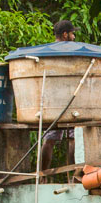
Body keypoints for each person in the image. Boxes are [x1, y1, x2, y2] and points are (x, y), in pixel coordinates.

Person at [39, 20, 78, 172]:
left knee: (49, 139)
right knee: (73, 137)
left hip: (51, 101)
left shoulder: (47, 52)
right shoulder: (73, 51)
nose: (74, 37)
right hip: (70, 99)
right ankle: (73, 175)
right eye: (72, 34)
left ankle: (42, 175)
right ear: (65, 34)